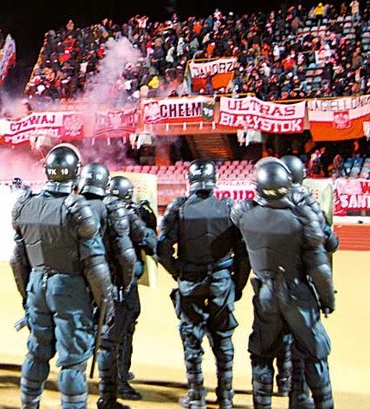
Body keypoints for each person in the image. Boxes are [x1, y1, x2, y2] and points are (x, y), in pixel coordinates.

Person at [9, 144, 115, 409]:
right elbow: (95, 265)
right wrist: (107, 302)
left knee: (36, 351)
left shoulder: (25, 204)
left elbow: (16, 259)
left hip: (36, 284)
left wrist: (27, 296)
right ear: (76, 172)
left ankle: (29, 404)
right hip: (70, 289)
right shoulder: (77, 207)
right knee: (72, 361)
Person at [230, 159, 335, 409]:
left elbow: (238, 221)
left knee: (262, 354)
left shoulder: (245, 215)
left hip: (265, 294)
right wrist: (328, 300)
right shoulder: (302, 220)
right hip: (298, 293)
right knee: (315, 352)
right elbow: (321, 268)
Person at [157, 159, 250, 409]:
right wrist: (237, 286)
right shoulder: (230, 207)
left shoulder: (180, 207)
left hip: (190, 280)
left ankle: (196, 394)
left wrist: (177, 272)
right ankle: (226, 396)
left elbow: (162, 249)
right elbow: (244, 255)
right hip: (221, 280)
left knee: (191, 338)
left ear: (190, 179)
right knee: (223, 339)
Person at [279, 155, 340, 407]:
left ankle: (285, 383)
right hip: (302, 283)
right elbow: (329, 242)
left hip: (271, 284)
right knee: (307, 342)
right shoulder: (306, 203)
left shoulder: (261, 202)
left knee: (278, 339)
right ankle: (300, 394)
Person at [78, 163, 137, 409]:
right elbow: (126, 256)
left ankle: (75, 396)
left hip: (77, 284)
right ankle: (108, 397)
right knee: (107, 342)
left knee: (77, 339)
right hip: (108, 282)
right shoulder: (111, 208)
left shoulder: (71, 205)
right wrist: (125, 283)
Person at [107, 175, 158, 401]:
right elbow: (149, 240)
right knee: (123, 330)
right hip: (123, 282)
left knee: (107, 331)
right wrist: (146, 217)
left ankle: (114, 375)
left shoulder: (96, 209)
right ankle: (119, 380)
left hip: (98, 281)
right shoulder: (127, 215)